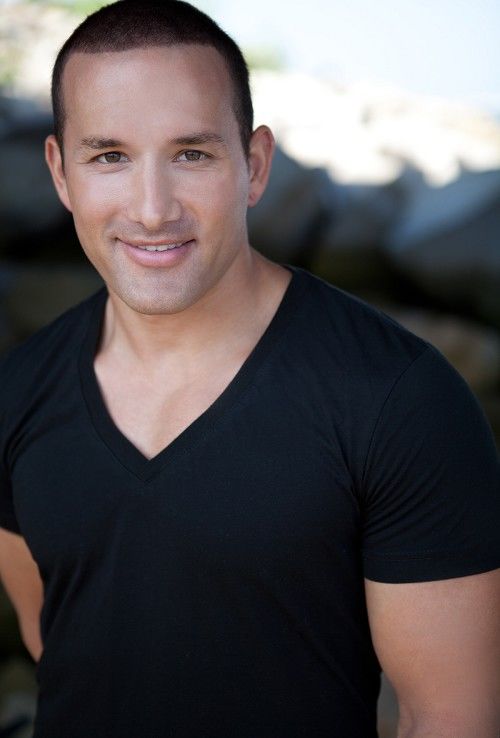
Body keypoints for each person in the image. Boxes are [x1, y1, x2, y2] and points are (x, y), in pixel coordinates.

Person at [0, 1, 498, 736]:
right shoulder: (17, 394)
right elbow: (58, 639)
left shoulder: (399, 399)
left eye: (192, 154)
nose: (152, 209)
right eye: (109, 156)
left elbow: (452, 715)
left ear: (255, 165)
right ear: (61, 173)